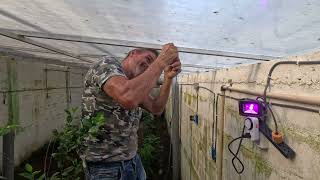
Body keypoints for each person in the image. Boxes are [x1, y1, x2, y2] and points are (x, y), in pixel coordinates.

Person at [81, 43, 181, 180]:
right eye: (148, 59)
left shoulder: (133, 83)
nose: (148, 66)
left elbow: (156, 108)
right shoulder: (106, 64)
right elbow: (127, 97)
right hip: (105, 167)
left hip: (132, 160)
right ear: (133, 52)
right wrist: (160, 62)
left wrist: (168, 78)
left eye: (151, 64)